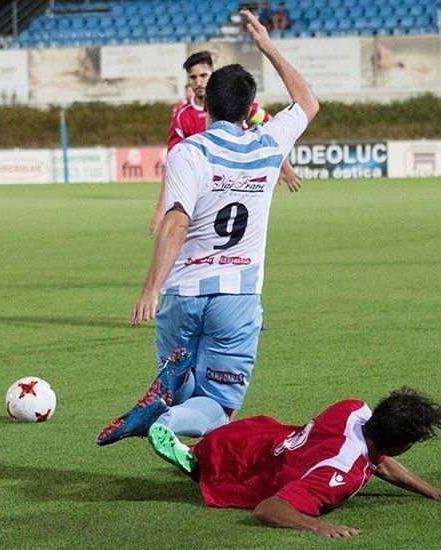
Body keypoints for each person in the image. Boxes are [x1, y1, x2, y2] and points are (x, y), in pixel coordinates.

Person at [97, 10, 319, 446]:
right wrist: (267, 46)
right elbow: (308, 102)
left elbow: (176, 221)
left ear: (207, 105)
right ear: (248, 108)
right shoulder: (267, 141)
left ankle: (166, 404)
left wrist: (149, 289)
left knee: (179, 376)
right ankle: (167, 424)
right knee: (219, 406)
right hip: (237, 293)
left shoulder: (190, 152)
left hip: (182, 289)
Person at [148, 388, 441, 538]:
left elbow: (377, 460)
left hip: (257, 441)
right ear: (400, 446)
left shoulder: (354, 409)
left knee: (221, 438)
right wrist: (315, 526)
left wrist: (440, 494)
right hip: (259, 473)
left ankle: (186, 438)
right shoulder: (341, 476)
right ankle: (192, 460)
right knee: (212, 472)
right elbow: (268, 508)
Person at [149, 48, 302, 237]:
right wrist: (160, 209)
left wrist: (282, 165)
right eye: (193, 77)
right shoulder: (182, 116)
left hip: (236, 184)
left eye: (203, 75)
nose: (198, 82)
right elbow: (172, 164)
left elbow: (272, 133)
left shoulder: (238, 104)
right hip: (204, 188)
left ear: (212, 73)